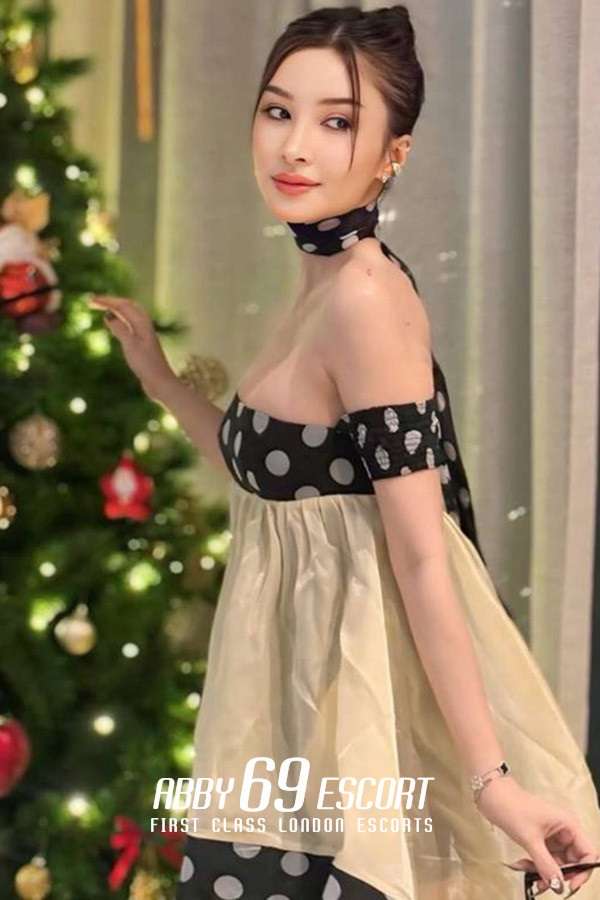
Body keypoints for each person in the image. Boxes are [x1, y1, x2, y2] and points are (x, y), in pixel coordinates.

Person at [90, 6, 600, 898]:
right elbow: (281, 483)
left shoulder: (364, 298)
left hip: (353, 717)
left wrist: (491, 783)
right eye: (277, 110)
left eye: (337, 122)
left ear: (392, 154)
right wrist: (163, 383)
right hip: (285, 708)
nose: (294, 146)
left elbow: (422, 556)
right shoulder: (322, 279)